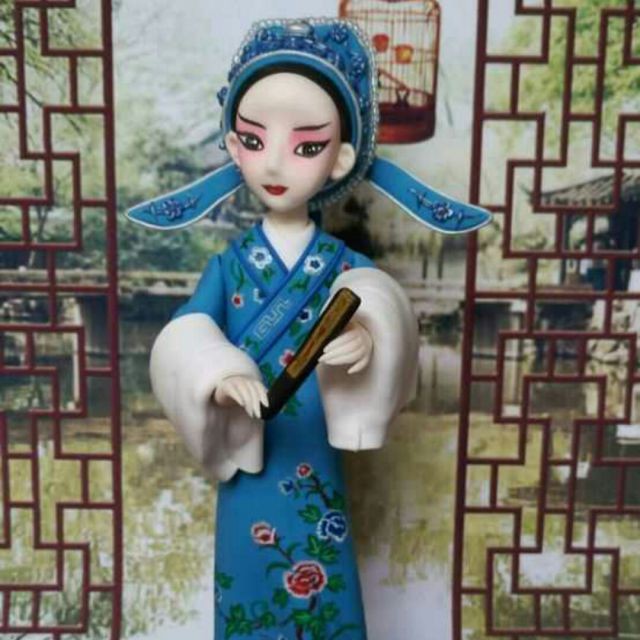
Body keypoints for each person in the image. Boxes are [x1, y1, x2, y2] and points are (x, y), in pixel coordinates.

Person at [127, 18, 491, 639]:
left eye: (305, 146)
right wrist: (216, 371)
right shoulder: (229, 265)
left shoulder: (345, 267)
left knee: (322, 577)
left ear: (340, 156)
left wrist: (369, 337)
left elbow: (384, 310)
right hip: (248, 444)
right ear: (234, 146)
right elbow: (189, 330)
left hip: (313, 454)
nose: (275, 162)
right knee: (248, 581)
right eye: (254, 139)